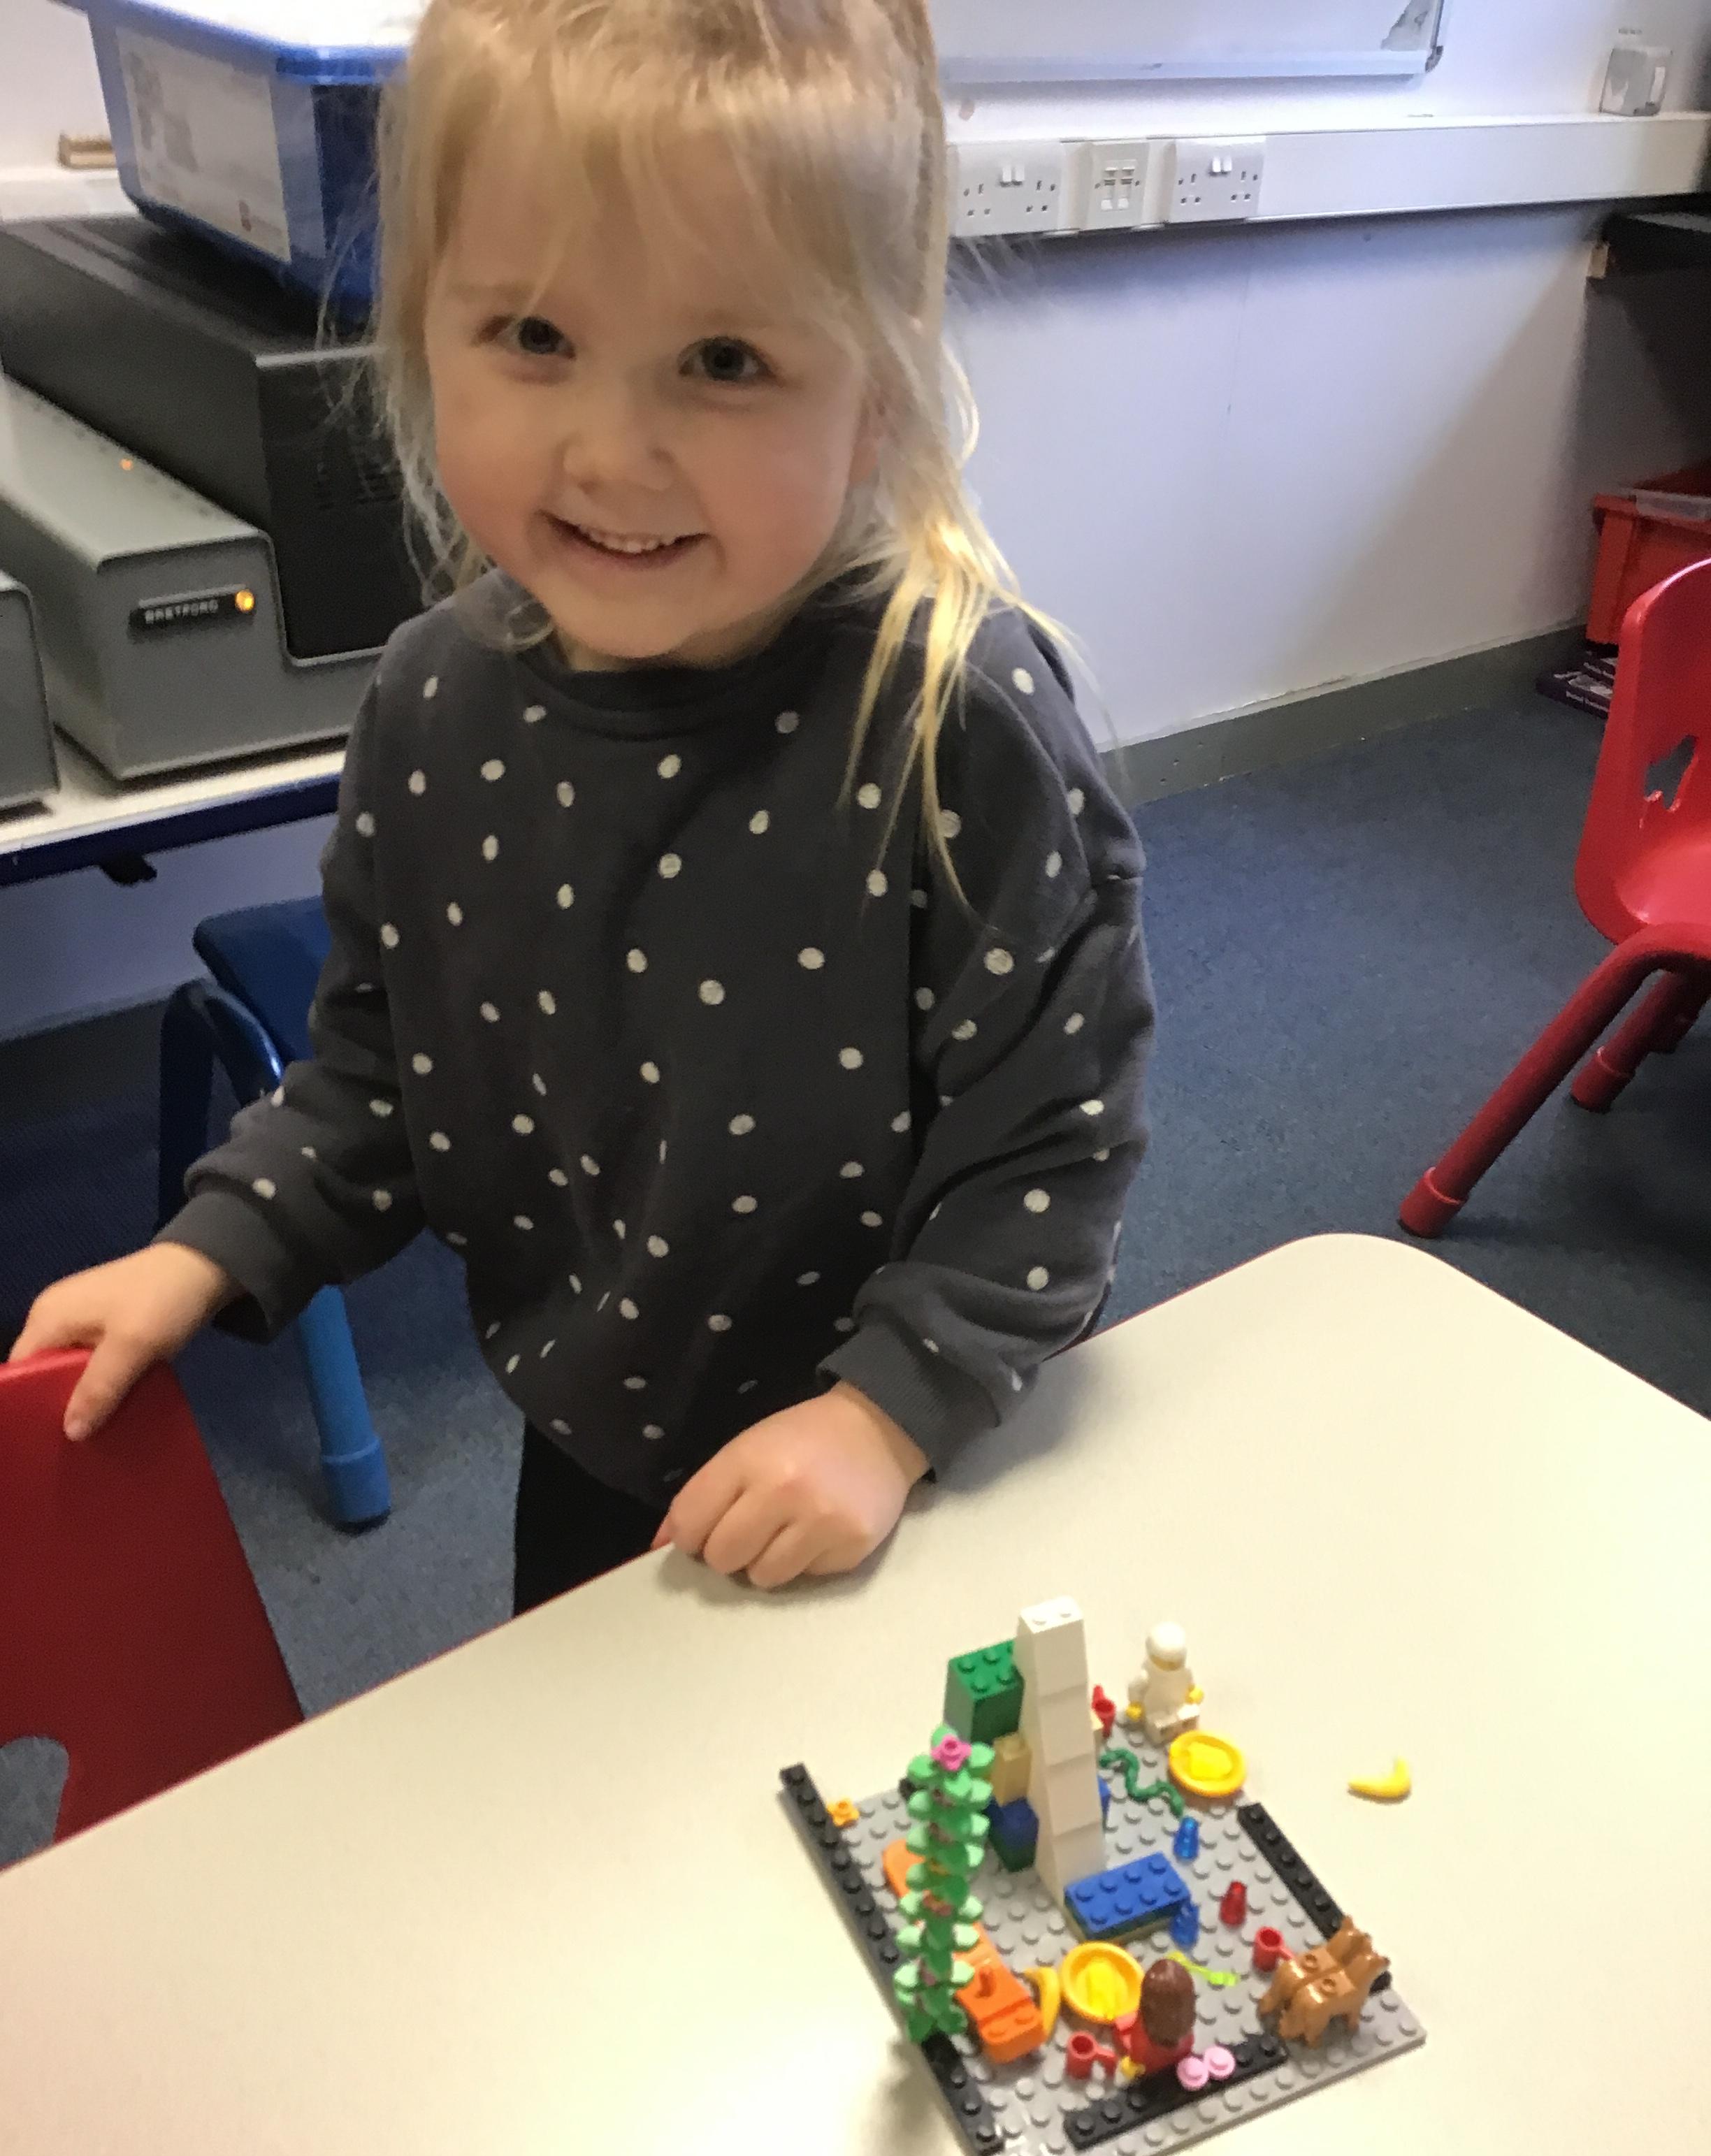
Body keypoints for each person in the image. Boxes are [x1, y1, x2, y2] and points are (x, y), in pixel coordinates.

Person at [10, 0, 1154, 1609]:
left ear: (878, 397)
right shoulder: (433, 705)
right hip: (605, 1441)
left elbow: (1051, 1148)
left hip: (922, 1443)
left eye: (726, 361)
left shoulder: (956, 724)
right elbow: (382, 1077)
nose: (614, 454)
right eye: (535, 336)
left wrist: (886, 1417)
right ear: (424, 334)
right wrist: (211, 1243)